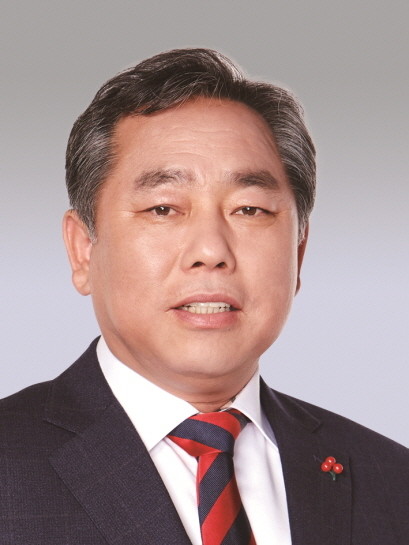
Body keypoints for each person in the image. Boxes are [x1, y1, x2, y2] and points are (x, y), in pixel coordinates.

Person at [0, 48, 407, 545]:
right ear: (83, 249)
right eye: (164, 208)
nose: (211, 251)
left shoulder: (391, 482)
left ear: (298, 253)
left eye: (250, 210)